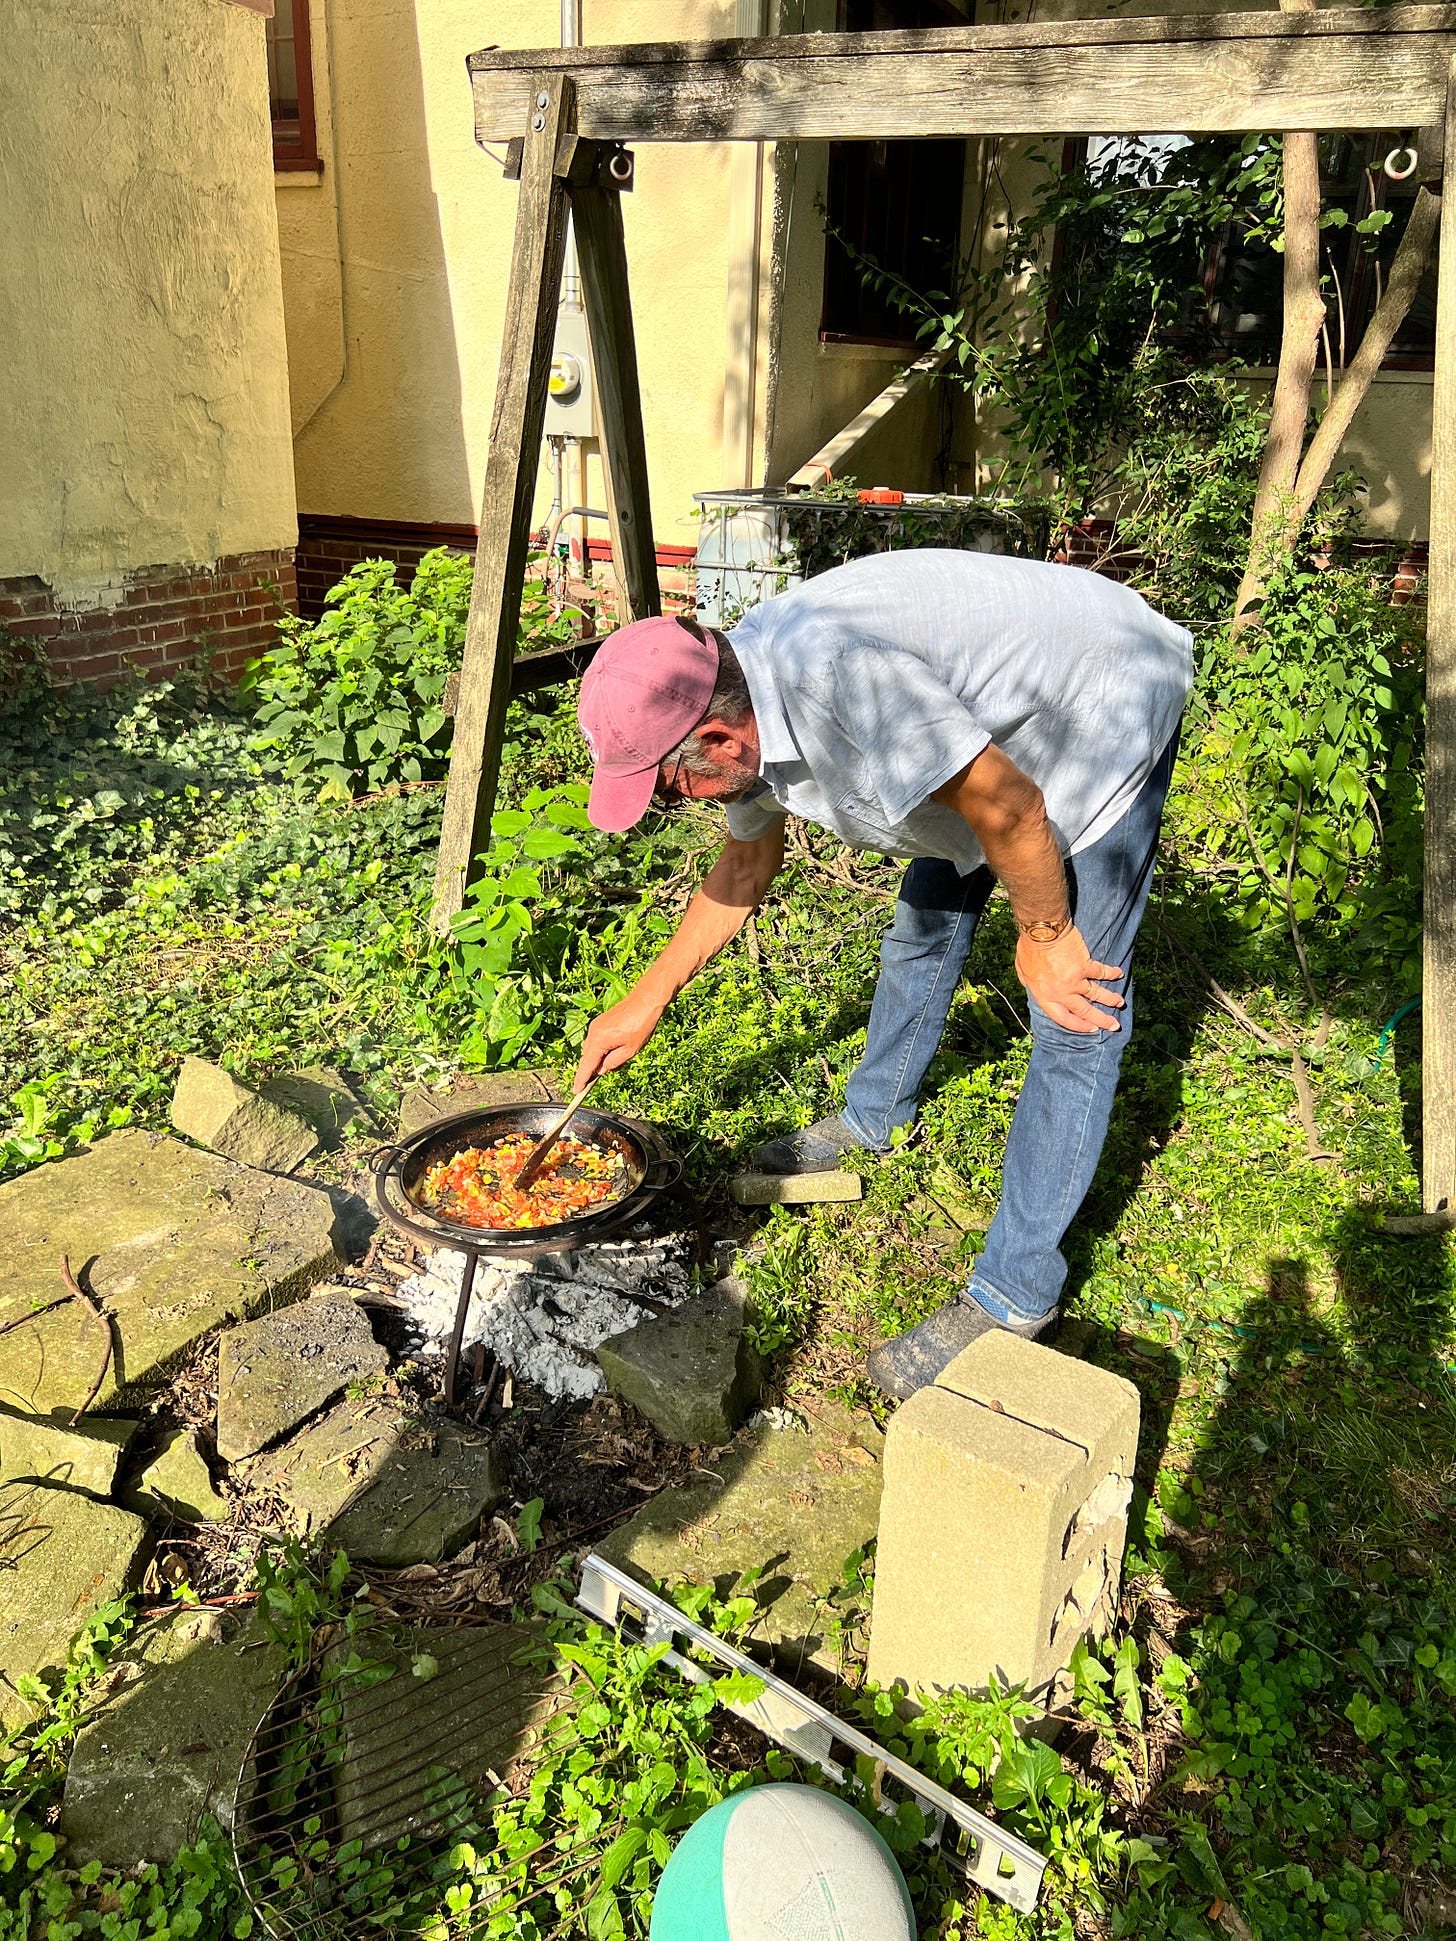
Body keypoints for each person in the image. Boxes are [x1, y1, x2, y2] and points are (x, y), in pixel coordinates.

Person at [572, 548, 1193, 1398]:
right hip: (986, 745)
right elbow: (747, 870)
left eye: (672, 785)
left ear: (717, 737)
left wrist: (1047, 930)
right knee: (925, 921)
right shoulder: (743, 701)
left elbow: (1010, 806)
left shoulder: (844, 690)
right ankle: (873, 1117)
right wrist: (642, 1002)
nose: (676, 801)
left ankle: (1015, 1296)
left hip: (1098, 701)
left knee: (1074, 1007)